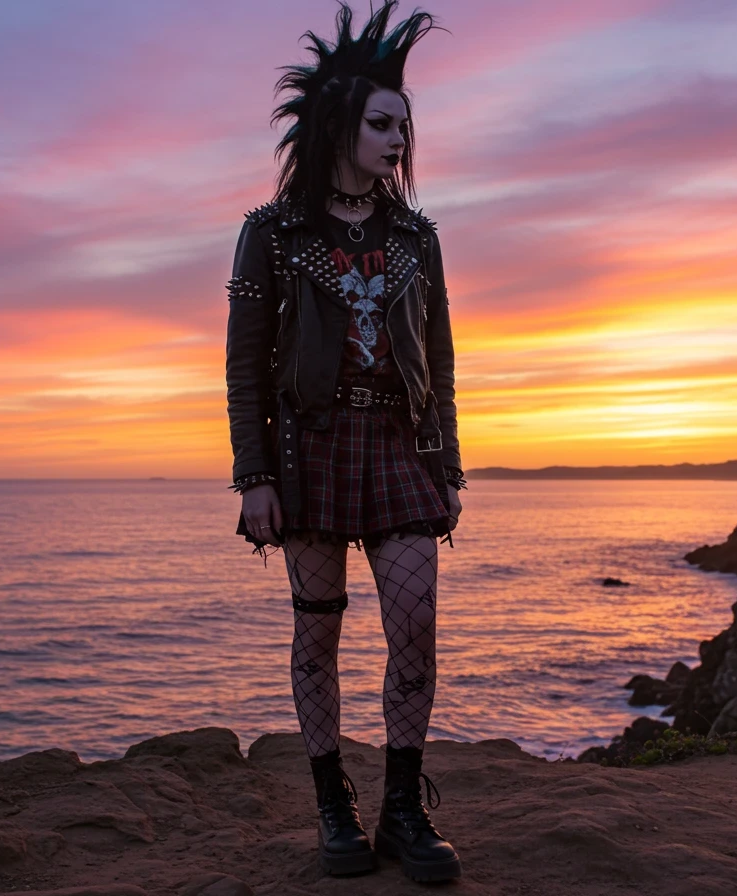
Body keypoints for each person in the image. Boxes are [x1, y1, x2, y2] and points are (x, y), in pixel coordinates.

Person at [223, 1, 462, 882]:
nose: (398, 138)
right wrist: (254, 477)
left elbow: (440, 356)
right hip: (310, 451)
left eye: (404, 124)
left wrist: (448, 466)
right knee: (317, 637)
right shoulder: (273, 234)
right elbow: (245, 365)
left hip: (399, 447)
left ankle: (403, 809)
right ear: (340, 123)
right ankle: (334, 808)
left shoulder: (417, 236)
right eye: (382, 123)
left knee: (415, 626)